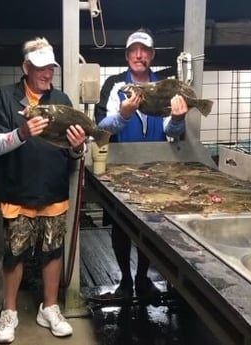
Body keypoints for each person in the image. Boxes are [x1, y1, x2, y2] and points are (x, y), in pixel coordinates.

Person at [0, 37, 86, 343]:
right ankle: (10, 312)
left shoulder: (62, 101)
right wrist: (21, 133)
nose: (47, 74)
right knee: (14, 253)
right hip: (16, 191)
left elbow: (70, 151)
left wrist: (78, 148)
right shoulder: (5, 99)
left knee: (52, 251)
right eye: (40, 68)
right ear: (26, 67)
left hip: (53, 190)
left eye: (50, 68)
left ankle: (50, 308)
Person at [94, 28, 188, 303]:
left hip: (158, 169)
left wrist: (180, 120)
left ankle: (142, 278)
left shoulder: (166, 87)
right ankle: (124, 280)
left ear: (152, 55)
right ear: (126, 55)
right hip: (119, 169)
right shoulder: (114, 85)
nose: (139, 55)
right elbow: (101, 127)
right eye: (134, 50)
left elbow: (172, 130)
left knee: (153, 225)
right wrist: (123, 115)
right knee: (121, 227)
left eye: (144, 50)